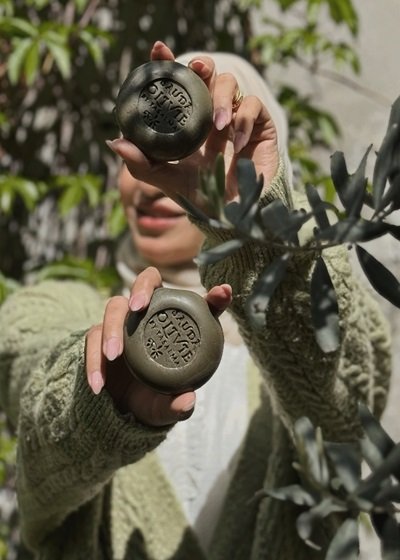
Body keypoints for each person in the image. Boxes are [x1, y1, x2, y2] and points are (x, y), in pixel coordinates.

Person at [0, 40, 392, 560]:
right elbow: (40, 445)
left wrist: (257, 225)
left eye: (205, 148)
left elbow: (344, 412)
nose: (151, 187)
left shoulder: (309, 318)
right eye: (150, 155)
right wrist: (99, 403)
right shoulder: (51, 309)